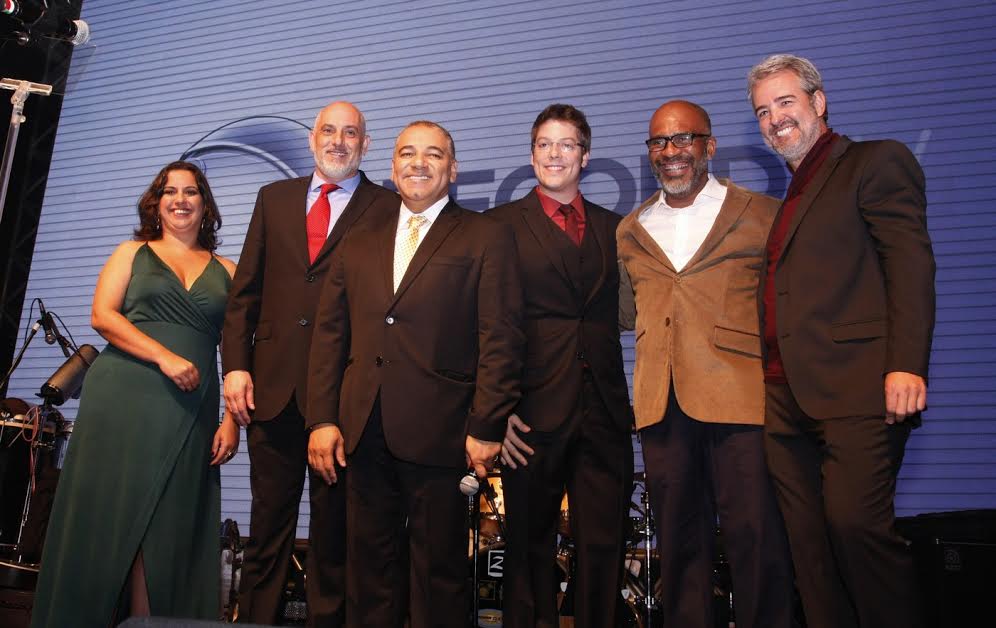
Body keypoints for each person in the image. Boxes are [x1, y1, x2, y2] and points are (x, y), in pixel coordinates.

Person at [305, 120, 524, 628]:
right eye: (407, 153)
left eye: (433, 154)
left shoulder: (486, 235)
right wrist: (322, 419)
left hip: (445, 433)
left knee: (438, 575)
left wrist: (486, 425)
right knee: (368, 572)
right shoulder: (358, 239)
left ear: (453, 169)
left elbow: (502, 338)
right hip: (363, 430)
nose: (418, 164)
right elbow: (330, 336)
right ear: (392, 166)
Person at [746, 54, 935, 628]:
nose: (775, 118)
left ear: (819, 102)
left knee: (857, 530)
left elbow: (909, 264)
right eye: (762, 111)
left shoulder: (875, 162)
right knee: (811, 553)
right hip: (785, 401)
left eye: (785, 102)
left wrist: (907, 364)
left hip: (859, 390)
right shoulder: (791, 195)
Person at [31, 161, 239, 627]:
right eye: (170, 192)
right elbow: (102, 317)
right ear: (156, 203)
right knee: (106, 518)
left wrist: (232, 418)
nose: (180, 200)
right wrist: (164, 357)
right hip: (122, 399)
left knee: (169, 529)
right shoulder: (131, 252)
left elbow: (237, 349)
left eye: (191, 192)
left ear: (205, 204)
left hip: (191, 408)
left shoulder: (229, 269)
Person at [616, 100, 794, 628]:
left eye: (683, 139)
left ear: (709, 146)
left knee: (756, 538)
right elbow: (625, 311)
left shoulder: (762, 214)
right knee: (679, 545)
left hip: (741, 400)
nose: (670, 151)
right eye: (658, 142)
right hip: (661, 404)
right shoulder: (631, 229)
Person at [222, 101, 395, 626]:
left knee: (333, 536)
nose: (338, 141)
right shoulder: (273, 198)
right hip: (271, 390)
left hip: (343, 396)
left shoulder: (388, 207)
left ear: (366, 145)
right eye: (328, 130)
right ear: (312, 138)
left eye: (350, 133)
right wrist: (235, 366)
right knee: (267, 529)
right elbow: (245, 293)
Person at [488, 104, 633, 628]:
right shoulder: (498, 227)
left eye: (567, 144)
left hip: (604, 413)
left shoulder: (618, 230)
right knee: (529, 549)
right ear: (532, 156)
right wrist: (496, 412)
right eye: (545, 144)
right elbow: (486, 326)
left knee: (604, 546)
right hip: (528, 418)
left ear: (585, 156)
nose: (555, 154)